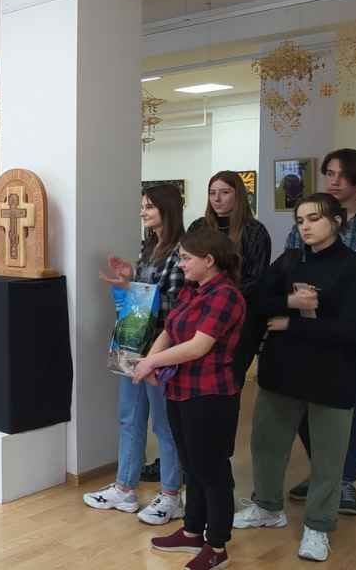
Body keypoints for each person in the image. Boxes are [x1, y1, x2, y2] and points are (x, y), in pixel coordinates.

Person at [234, 193, 356, 563]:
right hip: (282, 369)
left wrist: (291, 324)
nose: (306, 227)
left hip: (332, 373)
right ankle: (267, 507)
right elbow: (256, 301)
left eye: (314, 218)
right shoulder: (291, 259)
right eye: (300, 220)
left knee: (328, 457)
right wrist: (289, 304)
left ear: (337, 221)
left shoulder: (354, 267)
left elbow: (350, 330)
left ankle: (318, 525)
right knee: (266, 443)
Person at [283, 150, 356, 515]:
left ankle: (344, 481)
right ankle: (325, 474)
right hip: (314, 332)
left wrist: (342, 281)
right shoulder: (305, 222)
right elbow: (290, 269)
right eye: (329, 173)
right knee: (308, 411)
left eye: (343, 175)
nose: (334, 180)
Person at [132, 228, 246, 570]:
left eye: (186, 258)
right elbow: (169, 330)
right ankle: (193, 530)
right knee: (191, 467)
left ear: (209, 260)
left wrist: (151, 363)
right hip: (181, 390)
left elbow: (199, 345)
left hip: (210, 395)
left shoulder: (226, 296)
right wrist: (151, 359)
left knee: (212, 471)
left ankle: (217, 546)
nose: (180, 264)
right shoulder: (191, 290)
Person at [88, 184, 185, 526]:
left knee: (164, 424)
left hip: (162, 349)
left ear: (167, 210)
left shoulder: (181, 251)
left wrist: (135, 288)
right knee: (129, 417)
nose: (143, 212)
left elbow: (176, 306)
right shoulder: (150, 247)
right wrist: (131, 279)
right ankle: (125, 488)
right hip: (134, 345)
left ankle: (171, 495)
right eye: (143, 206)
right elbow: (146, 295)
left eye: (149, 207)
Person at [188, 171, 271, 389]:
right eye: (212, 193)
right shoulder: (199, 227)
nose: (217, 199)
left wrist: (221, 298)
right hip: (200, 311)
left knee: (229, 380)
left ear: (238, 195)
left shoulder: (254, 231)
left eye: (224, 192)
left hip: (239, 315)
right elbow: (187, 268)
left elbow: (256, 278)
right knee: (198, 376)